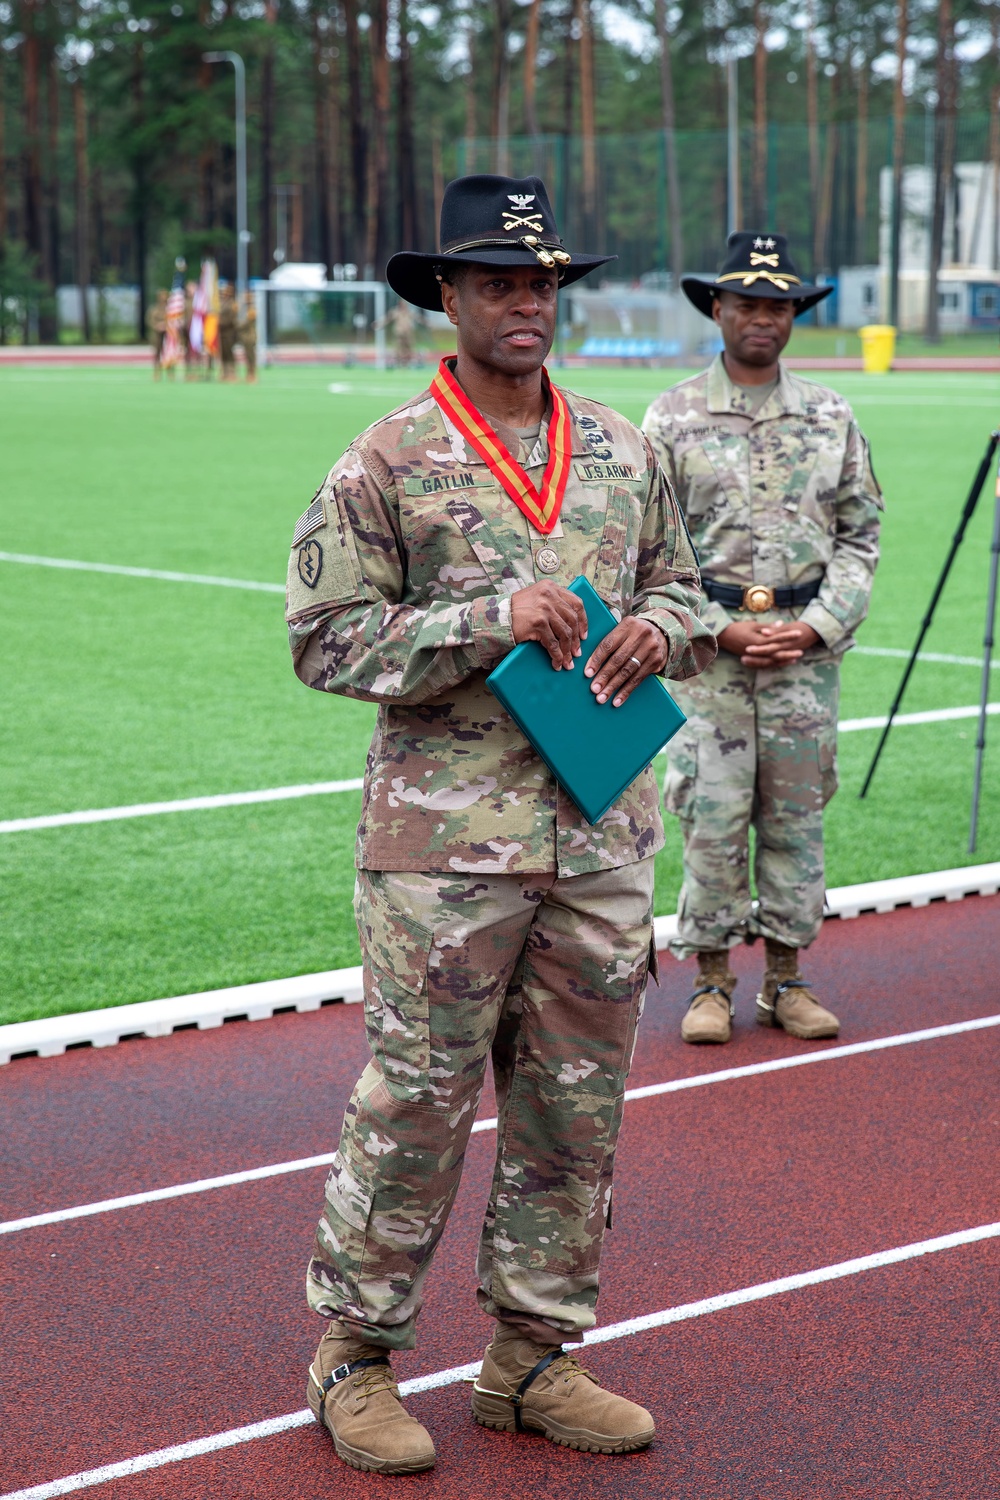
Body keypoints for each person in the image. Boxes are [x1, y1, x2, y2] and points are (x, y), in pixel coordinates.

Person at [285, 174, 716, 1475]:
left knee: (574, 1107)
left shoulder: (629, 450)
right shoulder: (388, 455)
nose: (525, 302)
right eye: (497, 283)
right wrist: (486, 619)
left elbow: (685, 592)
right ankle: (354, 1355)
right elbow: (322, 640)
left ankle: (534, 1356)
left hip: (598, 833)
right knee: (417, 1099)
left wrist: (665, 627)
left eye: (541, 283)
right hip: (442, 848)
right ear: (451, 298)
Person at [642, 232, 882, 1046]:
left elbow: (861, 535)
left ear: (794, 316)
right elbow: (649, 549)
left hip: (803, 663)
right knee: (708, 816)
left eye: (778, 305)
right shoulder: (670, 416)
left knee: (796, 819)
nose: (762, 319)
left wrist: (817, 625)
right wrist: (719, 627)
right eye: (746, 302)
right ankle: (710, 981)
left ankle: (787, 979)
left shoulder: (830, 414)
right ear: (717, 307)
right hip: (711, 662)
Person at [146, 289, 168, 379]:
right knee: (157, 353)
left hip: (168, 334)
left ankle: (170, 372)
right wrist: (157, 326)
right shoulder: (154, 309)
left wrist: (166, 325)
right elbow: (149, 320)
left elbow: (173, 320)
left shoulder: (169, 309)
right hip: (157, 334)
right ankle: (157, 372)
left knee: (169, 353)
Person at [218, 283, 238, 380]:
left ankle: (232, 372)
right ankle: (225, 372)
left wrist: (220, 323)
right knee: (223, 353)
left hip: (229, 332)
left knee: (229, 352)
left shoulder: (232, 304)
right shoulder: (221, 303)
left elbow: (231, 319)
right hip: (221, 332)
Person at [237, 292, 257, 382]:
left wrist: (237, 326)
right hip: (245, 336)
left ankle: (252, 374)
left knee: (251, 356)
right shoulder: (245, 310)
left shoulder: (251, 310)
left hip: (250, 336)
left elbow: (246, 323)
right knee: (247, 356)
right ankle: (249, 373)